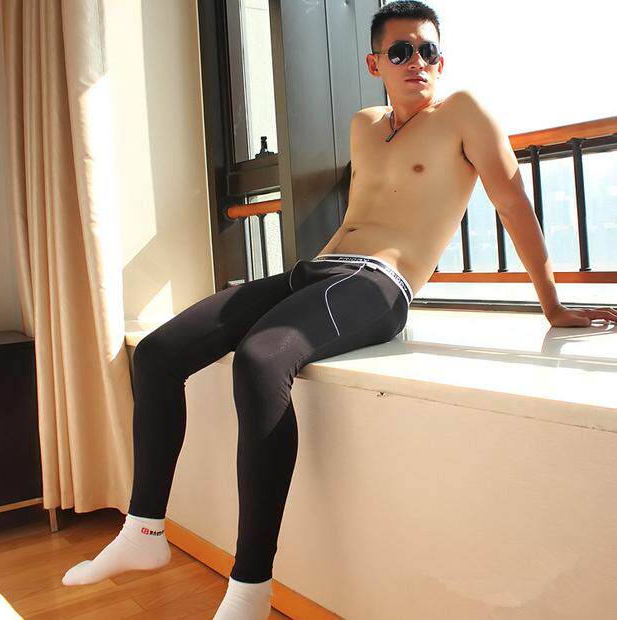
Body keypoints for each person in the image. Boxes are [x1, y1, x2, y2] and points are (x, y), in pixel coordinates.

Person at [61, 1, 617, 618]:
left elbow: (513, 203)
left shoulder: (463, 113)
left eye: (428, 50)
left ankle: (249, 588)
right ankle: (143, 531)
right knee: (158, 353)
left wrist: (552, 304)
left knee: (260, 359)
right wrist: (294, 285)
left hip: (379, 285)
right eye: (400, 51)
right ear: (375, 63)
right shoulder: (365, 124)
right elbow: (357, 215)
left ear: (442, 60)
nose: (417, 61)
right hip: (318, 271)